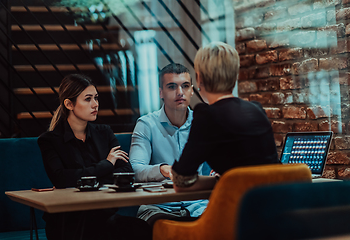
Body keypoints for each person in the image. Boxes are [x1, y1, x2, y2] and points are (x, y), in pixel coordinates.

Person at [37, 74, 151, 240]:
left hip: (103, 217)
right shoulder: (49, 141)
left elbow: (126, 172)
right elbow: (62, 179)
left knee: (140, 228)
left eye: (96, 98)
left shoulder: (104, 132)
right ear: (69, 104)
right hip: (68, 222)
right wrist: (107, 164)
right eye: (88, 99)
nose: (95, 104)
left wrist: (83, 176)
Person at [171, 42, 280, 193]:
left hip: (238, 212)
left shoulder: (207, 115)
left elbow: (181, 182)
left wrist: (222, 180)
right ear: (235, 76)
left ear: (199, 78)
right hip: (276, 209)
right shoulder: (256, 109)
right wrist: (227, 179)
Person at [129, 63, 209, 226]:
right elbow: (134, 169)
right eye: (172, 86)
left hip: (198, 206)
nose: (180, 92)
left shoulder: (203, 122)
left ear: (192, 90)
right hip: (159, 207)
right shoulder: (146, 124)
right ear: (161, 93)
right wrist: (162, 170)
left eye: (185, 86)